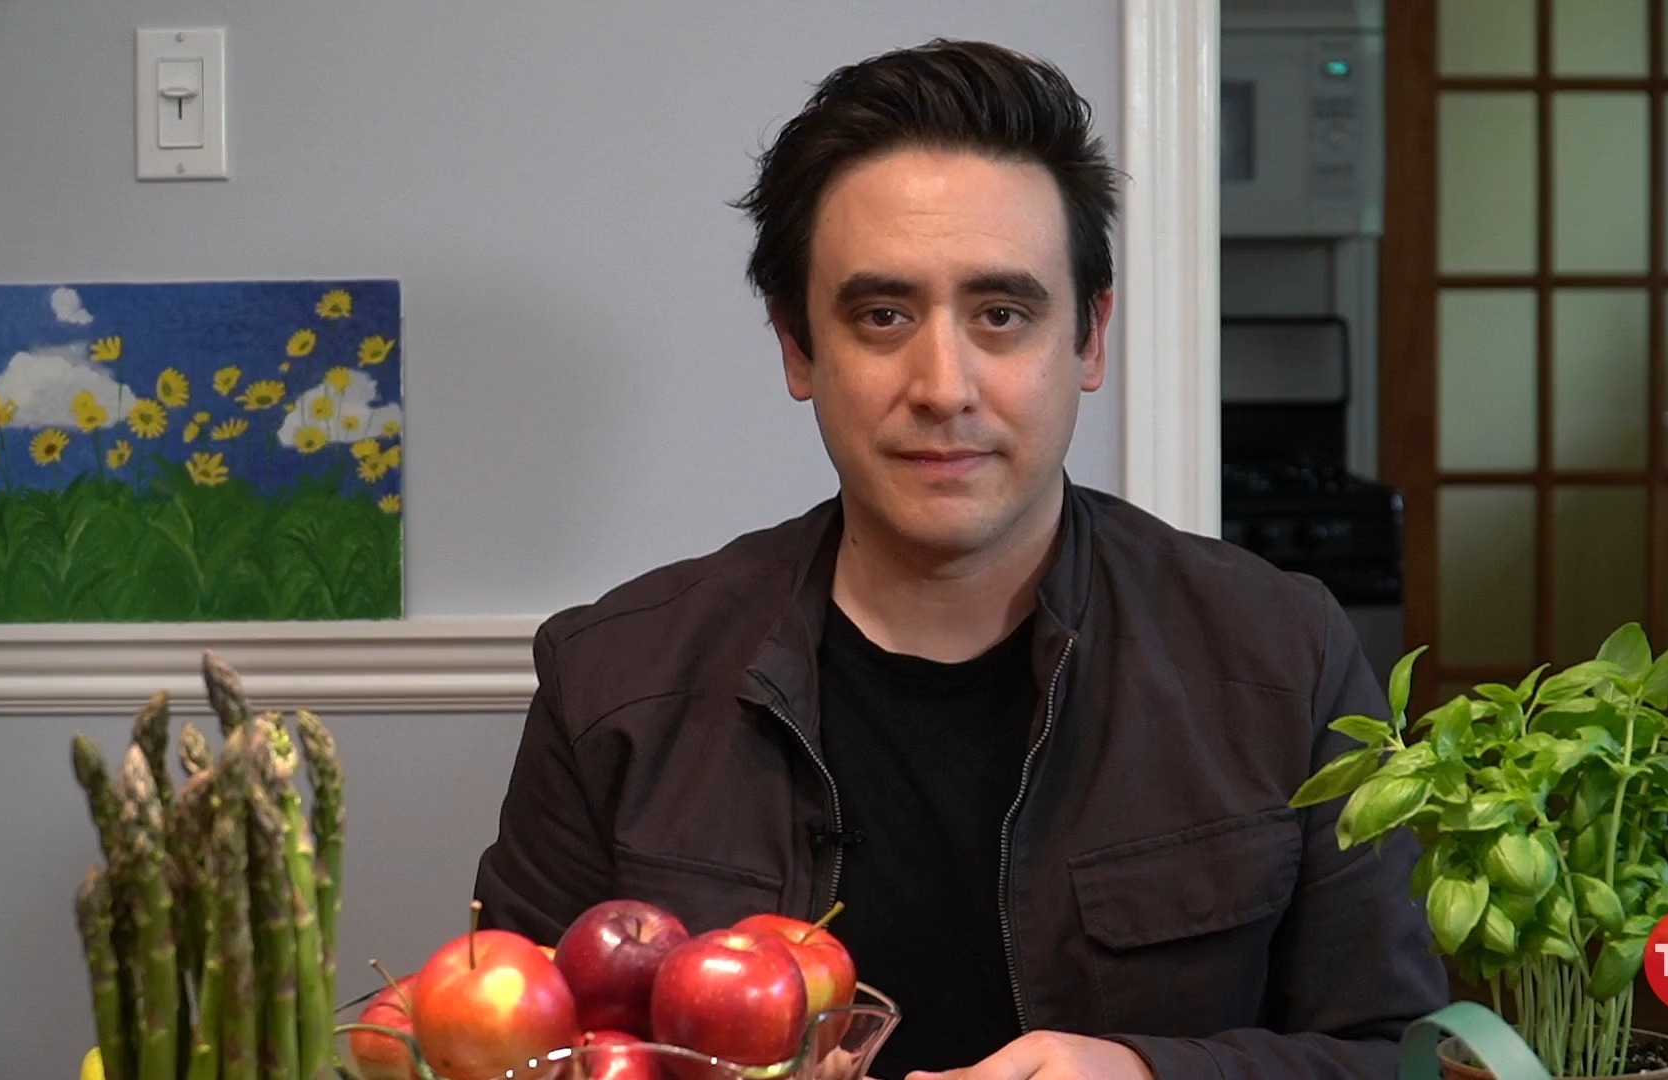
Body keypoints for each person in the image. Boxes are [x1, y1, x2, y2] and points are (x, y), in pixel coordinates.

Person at [472, 37, 1448, 1079]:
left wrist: (1150, 1072)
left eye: (1001, 315)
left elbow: (1399, 1056)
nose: (944, 386)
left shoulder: (1284, 656)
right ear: (798, 347)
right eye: (883, 316)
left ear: (1089, 340)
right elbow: (507, 1052)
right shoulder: (611, 684)